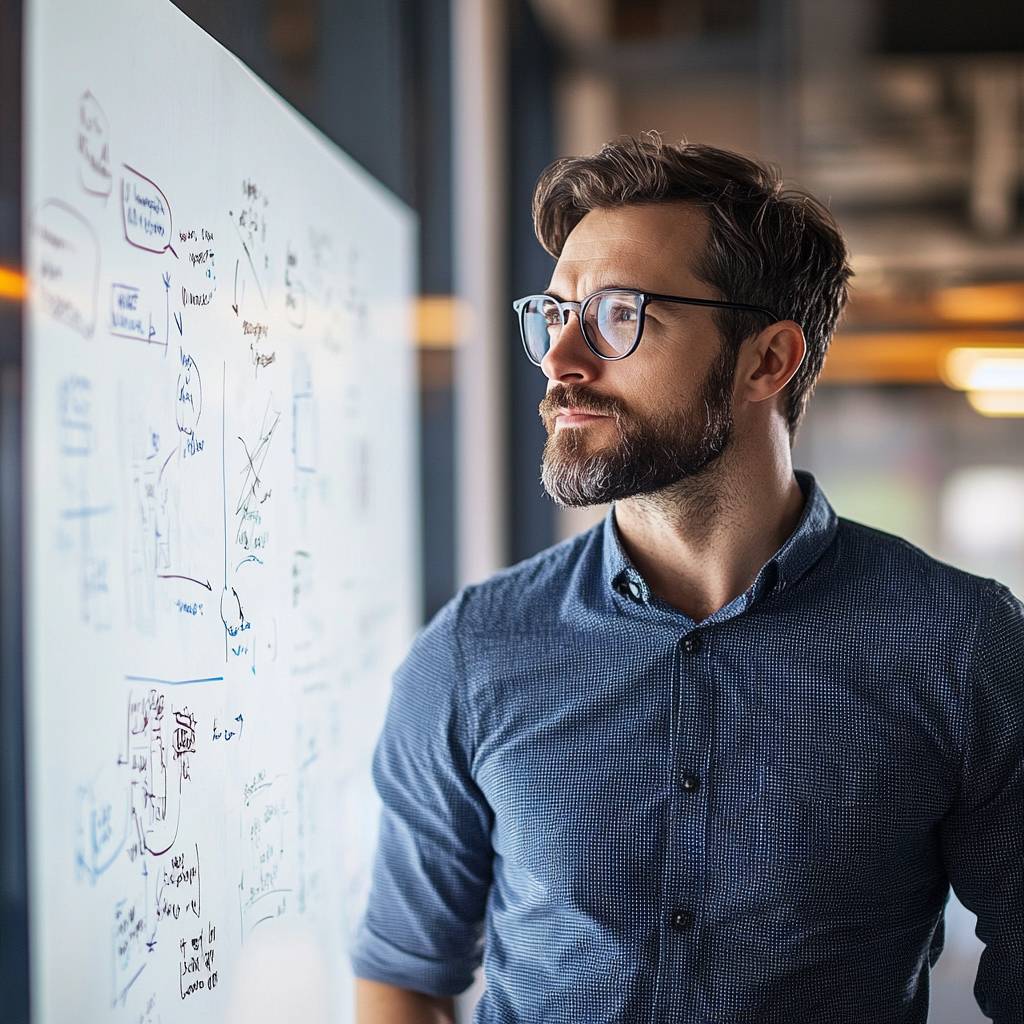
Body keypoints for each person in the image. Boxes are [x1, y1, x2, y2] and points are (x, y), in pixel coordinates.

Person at [351, 134, 1024, 1023]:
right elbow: (404, 972)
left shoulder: (959, 644)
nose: (561, 361)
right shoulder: (472, 651)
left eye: (620, 315)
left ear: (767, 361)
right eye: (555, 316)